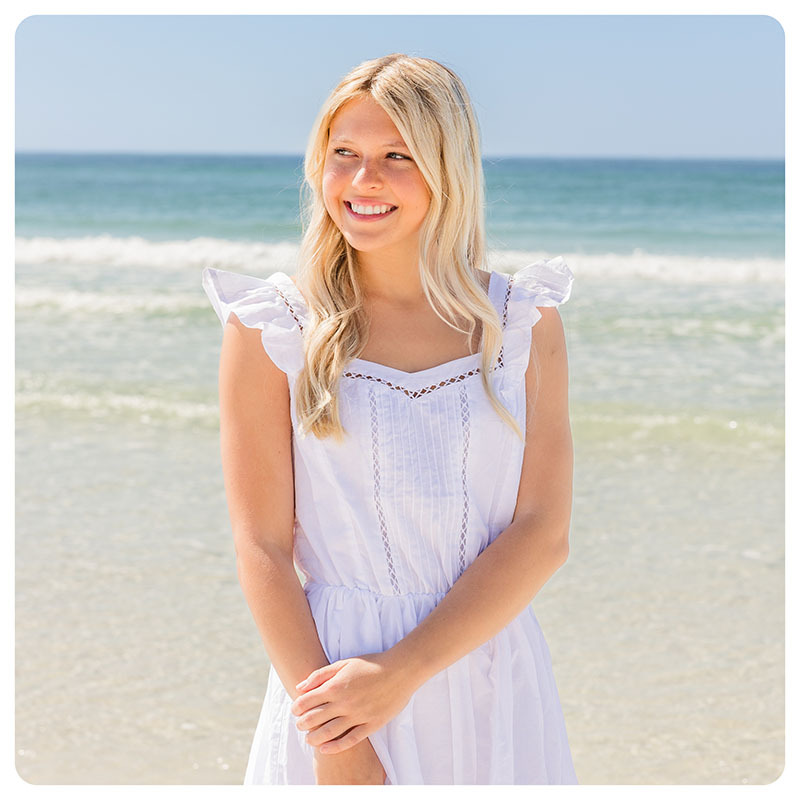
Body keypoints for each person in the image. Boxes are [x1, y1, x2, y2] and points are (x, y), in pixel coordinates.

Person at [202, 53, 578, 785]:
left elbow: (542, 533)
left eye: (396, 157)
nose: (363, 181)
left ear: (448, 168)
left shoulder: (521, 322)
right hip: (329, 681)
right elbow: (262, 549)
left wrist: (401, 673)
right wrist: (335, 738)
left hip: (489, 670)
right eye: (344, 154)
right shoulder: (273, 326)